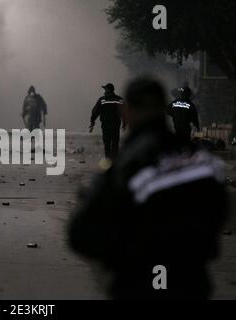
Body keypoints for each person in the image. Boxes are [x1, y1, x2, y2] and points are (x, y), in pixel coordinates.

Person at [69, 77, 228, 300]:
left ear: (128, 111)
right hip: (191, 280)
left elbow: (81, 233)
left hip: (138, 280)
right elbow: (220, 210)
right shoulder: (201, 160)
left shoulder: (127, 164)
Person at [89, 83, 125, 159]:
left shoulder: (102, 100)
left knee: (107, 143)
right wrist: (125, 123)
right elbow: (124, 112)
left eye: (105, 89)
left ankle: (108, 161)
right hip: (116, 125)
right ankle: (115, 161)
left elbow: (95, 111)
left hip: (106, 125)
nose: (104, 91)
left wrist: (92, 122)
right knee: (115, 143)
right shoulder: (119, 99)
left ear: (108, 90)